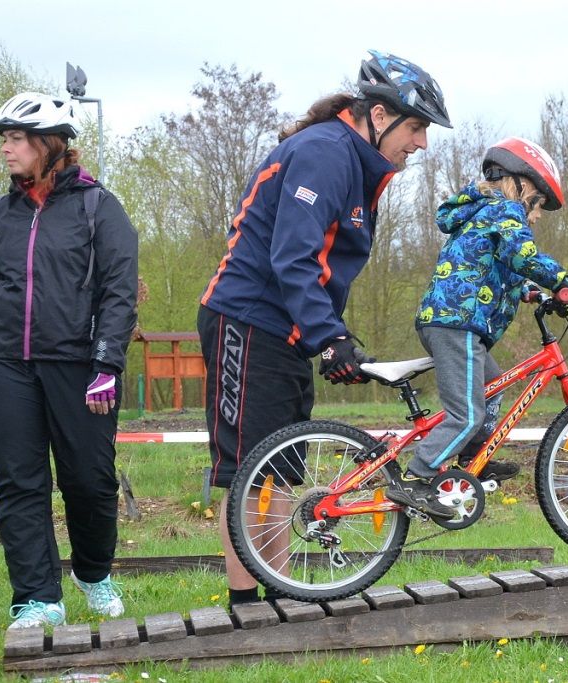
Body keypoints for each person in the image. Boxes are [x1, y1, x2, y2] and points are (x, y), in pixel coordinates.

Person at [197, 50, 451, 606]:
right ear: (379, 116)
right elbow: (293, 255)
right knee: (250, 470)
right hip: (248, 319)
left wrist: (325, 332)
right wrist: (329, 336)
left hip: (285, 331)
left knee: (281, 470)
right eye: (416, 127)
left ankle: (276, 596)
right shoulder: (324, 154)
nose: (422, 143)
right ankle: (245, 611)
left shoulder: (353, 165)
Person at [0, 92, 138, 629]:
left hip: (79, 364)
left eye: (15, 139)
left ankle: (94, 572)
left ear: (48, 145)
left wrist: (107, 363)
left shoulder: (99, 207)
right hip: (3, 362)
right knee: (18, 482)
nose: (5, 149)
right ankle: (36, 597)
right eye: (4, 139)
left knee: (89, 480)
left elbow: (119, 291)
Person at [392, 137, 568, 518]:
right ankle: (415, 478)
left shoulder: (486, 212)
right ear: (522, 185)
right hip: (456, 325)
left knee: (492, 387)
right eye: (540, 203)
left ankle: (470, 457)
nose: (538, 214)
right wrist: (560, 281)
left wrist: (528, 291)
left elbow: (494, 263)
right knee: (466, 414)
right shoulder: (505, 210)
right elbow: (521, 254)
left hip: (457, 322)